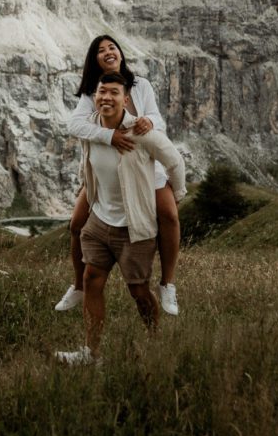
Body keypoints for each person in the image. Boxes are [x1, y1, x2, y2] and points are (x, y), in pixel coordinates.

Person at [55, 72, 186, 365]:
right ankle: (91, 353)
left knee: (138, 290)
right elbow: (87, 159)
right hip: (100, 221)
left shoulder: (141, 133)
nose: (106, 97)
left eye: (114, 93)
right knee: (92, 279)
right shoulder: (91, 129)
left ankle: (155, 343)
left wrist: (177, 194)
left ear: (125, 99)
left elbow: (174, 161)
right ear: (96, 96)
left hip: (134, 226)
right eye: (102, 92)